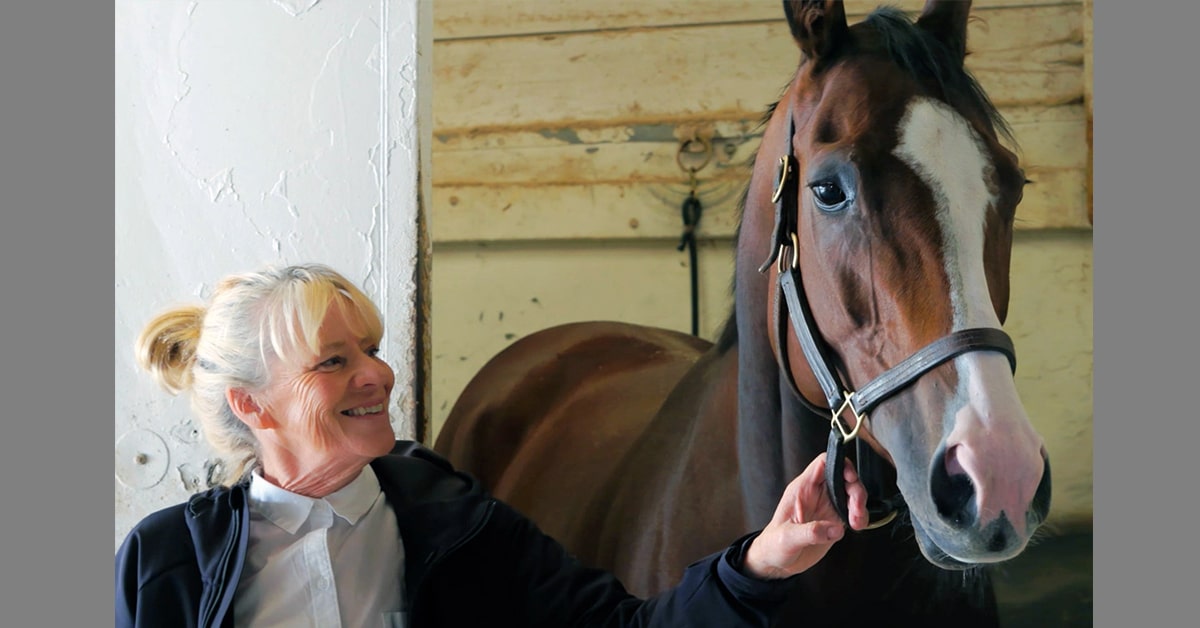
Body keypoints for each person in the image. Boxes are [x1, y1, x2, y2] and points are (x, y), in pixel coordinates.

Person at [116, 263, 869, 628]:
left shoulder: (454, 520)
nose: (379, 374)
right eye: (333, 361)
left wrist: (763, 559)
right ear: (253, 406)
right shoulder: (163, 563)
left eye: (371, 349)